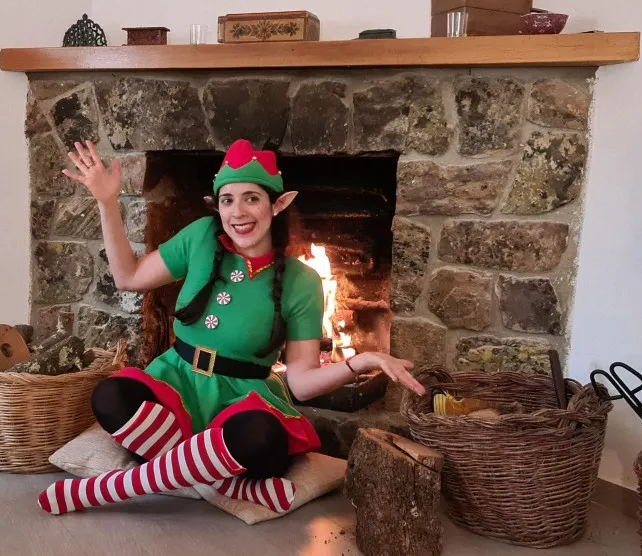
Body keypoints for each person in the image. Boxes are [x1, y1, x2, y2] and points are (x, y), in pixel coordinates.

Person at [37, 138, 425, 515]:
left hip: (242, 400)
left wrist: (362, 361)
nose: (237, 212)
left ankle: (110, 488)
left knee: (260, 438)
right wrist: (107, 202)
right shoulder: (200, 238)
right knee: (111, 397)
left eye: (251, 198)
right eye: (227, 200)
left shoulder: (302, 281)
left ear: (278, 204)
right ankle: (219, 480)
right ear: (217, 206)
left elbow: (302, 383)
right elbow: (128, 277)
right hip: (176, 383)